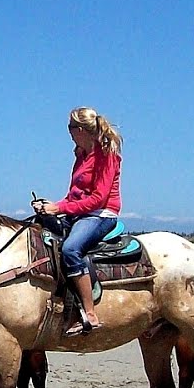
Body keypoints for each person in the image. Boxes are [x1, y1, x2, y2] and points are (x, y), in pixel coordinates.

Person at [32, 107, 123, 336]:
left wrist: (59, 208)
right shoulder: (81, 155)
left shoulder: (106, 155)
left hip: (101, 214)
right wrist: (49, 207)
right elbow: (74, 195)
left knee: (71, 248)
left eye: (70, 129)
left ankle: (89, 313)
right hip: (81, 213)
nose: (69, 134)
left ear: (80, 129)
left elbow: (97, 199)